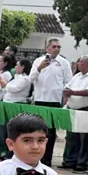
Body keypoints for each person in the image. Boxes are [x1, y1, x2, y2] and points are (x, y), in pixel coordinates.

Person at [29, 38, 73, 166]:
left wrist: (64, 98)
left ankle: (47, 159)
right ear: (47, 48)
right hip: (39, 100)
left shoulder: (63, 63)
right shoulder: (38, 61)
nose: (56, 49)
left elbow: (68, 81)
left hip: (53, 101)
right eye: (54, 46)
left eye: (59, 47)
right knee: (37, 130)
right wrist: (40, 68)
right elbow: (31, 79)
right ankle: (36, 157)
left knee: (51, 132)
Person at [60, 55, 88, 173]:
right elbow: (67, 87)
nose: (78, 64)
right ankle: (69, 161)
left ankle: (81, 163)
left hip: (85, 109)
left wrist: (73, 92)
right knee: (71, 137)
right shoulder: (77, 76)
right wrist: (66, 94)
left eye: (81, 62)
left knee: (83, 138)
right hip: (72, 108)